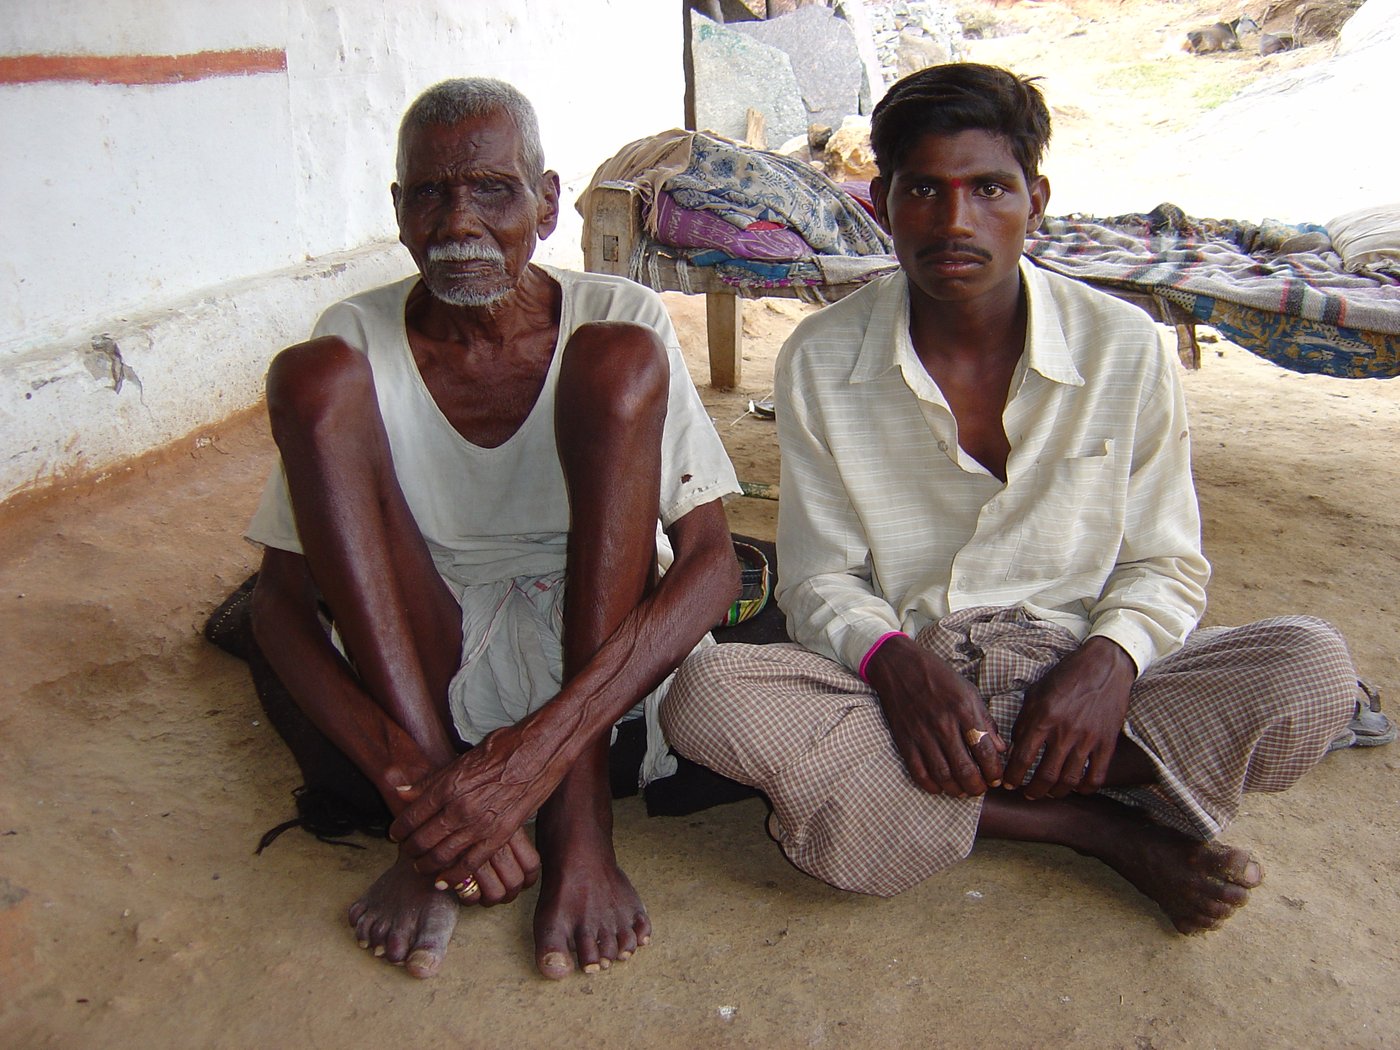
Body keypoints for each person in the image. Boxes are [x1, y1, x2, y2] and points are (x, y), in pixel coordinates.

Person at [661, 63, 1378, 934]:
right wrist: (897, 666)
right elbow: (821, 581)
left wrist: (1107, 664)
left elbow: (1165, 563)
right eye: (924, 188)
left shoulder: (1124, 349)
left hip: (1086, 685)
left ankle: (978, 789)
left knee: (1311, 667)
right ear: (882, 200)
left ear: (1034, 199)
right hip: (914, 689)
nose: (955, 221)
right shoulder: (821, 357)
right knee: (707, 694)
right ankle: (1089, 823)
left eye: (989, 188)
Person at [246, 77, 742, 980]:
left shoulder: (617, 316)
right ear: (399, 212)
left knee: (617, 363)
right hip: (425, 655)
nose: (458, 223)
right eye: (430, 193)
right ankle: (442, 828)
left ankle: (580, 818)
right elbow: (277, 605)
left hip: (594, 633)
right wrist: (419, 793)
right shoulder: (355, 336)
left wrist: (534, 762)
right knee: (310, 381)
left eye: (493, 190)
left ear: (548, 205)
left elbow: (712, 567)